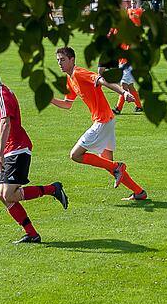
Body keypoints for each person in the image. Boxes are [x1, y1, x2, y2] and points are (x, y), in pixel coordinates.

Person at [0, 60, 69, 244]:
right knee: (3, 196)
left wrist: (0, 154)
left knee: (9, 194)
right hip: (11, 148)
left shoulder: (2, 94)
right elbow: (7, 125)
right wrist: (0, 143)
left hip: (18, 150)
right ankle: (32, 234)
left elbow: (6, 122)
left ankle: (53, 189)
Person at [51, 47, 147, 201]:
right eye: (58, 60)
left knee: (75, 155)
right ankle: (139, 192)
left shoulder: (79, 73)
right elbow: (67, 104)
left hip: (102, 121)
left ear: (72, 60)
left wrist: (123, 92)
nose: (59, 63)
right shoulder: (70, 79)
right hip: (106, 120)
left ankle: (118, 167)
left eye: (62, 60)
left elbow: (103, 80)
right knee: (108, 163)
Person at [103, 0, 144, 115]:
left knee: (124, 85)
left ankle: (118, 108)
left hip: (129, 61)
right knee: (130, 86)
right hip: (123, 60)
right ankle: (139, 106)